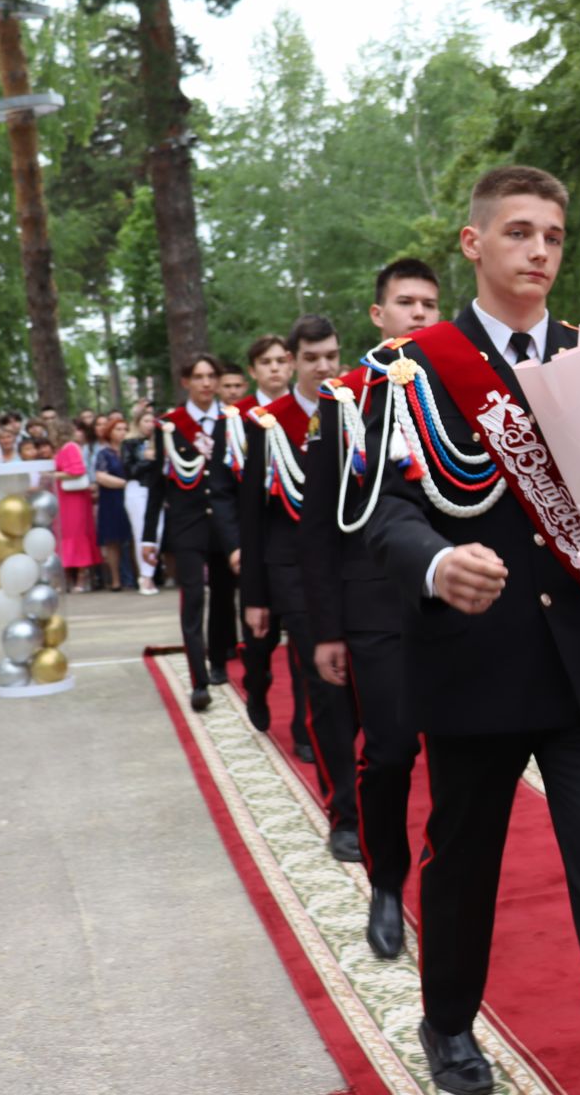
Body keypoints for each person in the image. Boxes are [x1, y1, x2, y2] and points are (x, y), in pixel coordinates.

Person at [363, 165, 580, 1095]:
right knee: (463, 872)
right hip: (475, 664)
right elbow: (381, 509)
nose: (539, 250)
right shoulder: (408, 369)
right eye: (518, 233)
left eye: (552, 236)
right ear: (474, 242)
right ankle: (448, 1024)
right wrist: (432, 562)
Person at [301, 257, 443, 961]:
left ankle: (446, 891)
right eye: (405, 303)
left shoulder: (460, 387)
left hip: (456, 601)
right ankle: (386, 884)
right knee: (388, 754)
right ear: (378, 315)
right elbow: (322, 523)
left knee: (458, 757)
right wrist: (327, 628)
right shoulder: (345, 396)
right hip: (375, 603)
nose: (419, 314)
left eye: (429, 303)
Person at [241, 313, 362, 863]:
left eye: (331, 356)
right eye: (311, 358)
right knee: (326, 691)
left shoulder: (355, 408)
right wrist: (255, 596)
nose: (323, 367)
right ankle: (345, 814)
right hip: (293, 568)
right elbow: (253, 514)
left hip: (356, 564)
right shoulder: (269, 422)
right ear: (291, 361)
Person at [143, 355, 243, 711]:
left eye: (211, 376)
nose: (205, 383)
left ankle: (218, 661)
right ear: (186, 381)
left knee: (221, 598)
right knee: (192, 599)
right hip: (186, 525)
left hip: (222, 524)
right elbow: (157, 483)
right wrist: (148, 536)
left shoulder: (230, 421)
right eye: (198, 377)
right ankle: (198, 679)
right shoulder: (169, 425)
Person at [237, 333, 313, 760]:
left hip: (307, 555)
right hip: (270, 556)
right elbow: (249, 509)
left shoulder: (323, 413)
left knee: (305, 645)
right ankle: (257, 683)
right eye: (264, 362)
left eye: (279, 361)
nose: (274, 369)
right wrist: (251, 586)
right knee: (262, 644)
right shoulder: (256, 423)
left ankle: (305, 729)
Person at [51, 417, 101, 593]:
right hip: (64, 499)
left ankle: (82, 577)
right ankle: (67, 578)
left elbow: (77, 470)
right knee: (65, 535)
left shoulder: (71, 447)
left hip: (74, 499)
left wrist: (55, 475)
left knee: (76, 535)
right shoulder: (62, 449)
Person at [122, 406, 162, 595]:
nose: (149, 425)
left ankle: (151, 572)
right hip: (137, 489)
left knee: (158, 531)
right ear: (138, 423)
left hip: (156, 490)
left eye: (152, 421)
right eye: (145, 421)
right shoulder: (130, 443)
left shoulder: (161, 442)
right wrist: (149, 460)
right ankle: (146, 577)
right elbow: (130, 470)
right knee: (142, 533)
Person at [94, 416, 133, 591]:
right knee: (113, 541)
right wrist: (126, 483)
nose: (122, 432)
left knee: (133, 537)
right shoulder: (104, 454)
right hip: (112, 499)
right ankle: (116, 580)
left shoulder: (132, 450)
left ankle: (135, 577)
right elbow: (101, 477)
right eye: (118, 429)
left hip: (132, 498)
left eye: (125, 429)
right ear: (109, 432)